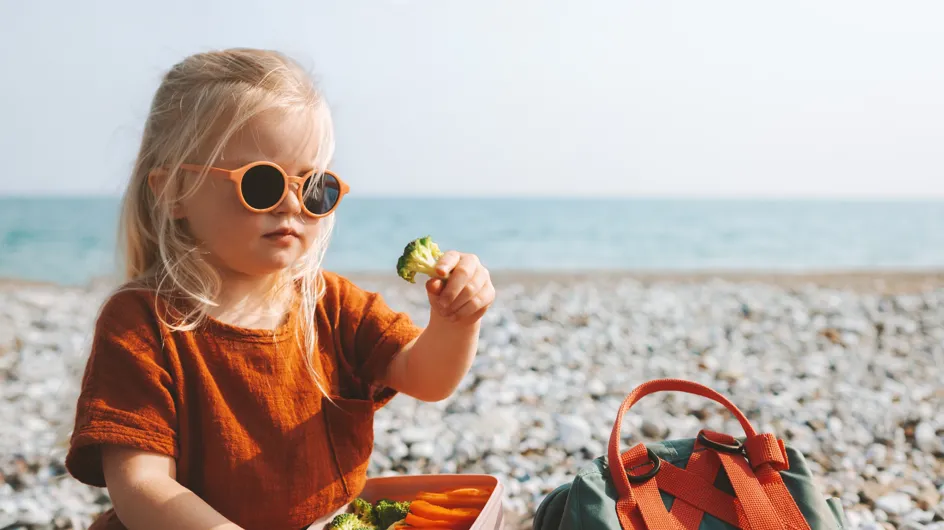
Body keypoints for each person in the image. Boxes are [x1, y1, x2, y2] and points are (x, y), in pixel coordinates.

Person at [64, 48, 495, 530]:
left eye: (315, 187)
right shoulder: (143, 323)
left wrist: (456, 322)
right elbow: (143, 486)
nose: (292, 203)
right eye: (263, 183)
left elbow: (428, 377)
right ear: (174, 192)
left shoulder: (329, 303)